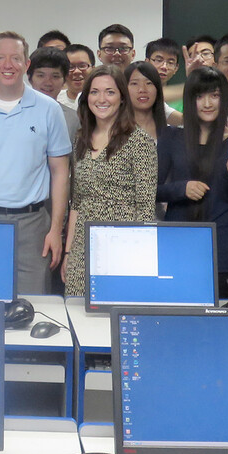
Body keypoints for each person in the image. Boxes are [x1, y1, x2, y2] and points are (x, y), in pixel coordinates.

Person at [0, 31, 71, 295]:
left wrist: (56, 230)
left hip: (33, 224)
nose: (8, 65)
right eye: (1, 58)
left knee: (35, 304)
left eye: (16, 58)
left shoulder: (48, 109)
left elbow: (60, 171)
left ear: (26, 64)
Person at [158, 66, 228, 297]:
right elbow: (153, 191)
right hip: (176, 244)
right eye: (199, 96)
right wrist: (182, 188)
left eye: (215, 95)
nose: (207, 103)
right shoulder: (171, 137)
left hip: (220, 249)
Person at [62, 66, 156, 296]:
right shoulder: (80, 139)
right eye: (94, 92)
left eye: (110, 92)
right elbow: (77, 202)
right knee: (77, 316)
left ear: (122, 98)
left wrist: (139, 259)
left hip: (123, 247)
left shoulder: (139, 141)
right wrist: (68, 254)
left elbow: (145, 209)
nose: (101, 99)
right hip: (83, 248)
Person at [28, 46, 78, 145]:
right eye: (41, 75)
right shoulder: (16, 113)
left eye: (55, 76)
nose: (48, 83)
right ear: (30, 77)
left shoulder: (73, 119)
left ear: (64, 79)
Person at [126, 61, 173, 142]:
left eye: (149, 83)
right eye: (134, 83)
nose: (142, 89)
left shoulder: (172, 135)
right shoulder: (114, 132)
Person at [59, 44, 95, 111]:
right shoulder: (56, 100)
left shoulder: (100, 99)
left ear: (93, 69)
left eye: (82, 66)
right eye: (70, 67)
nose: (77, 71)